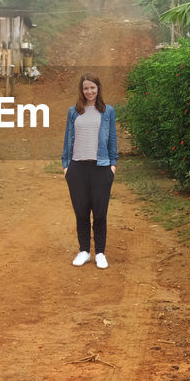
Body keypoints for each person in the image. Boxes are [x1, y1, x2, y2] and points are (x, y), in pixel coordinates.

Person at [61, 73, 118, 269]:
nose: (89, 91)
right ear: (82, 90)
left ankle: (100, 252)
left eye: (92, 88)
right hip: (77, 168)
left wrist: (113, 165)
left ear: (98, 89)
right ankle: (84, 251)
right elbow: (68, 139)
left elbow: (112, 139)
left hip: (101, 167)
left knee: (100, 213)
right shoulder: (74, 112)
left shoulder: (108, 111)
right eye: (86, 88)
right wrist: (66, 166)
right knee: (81, 212)